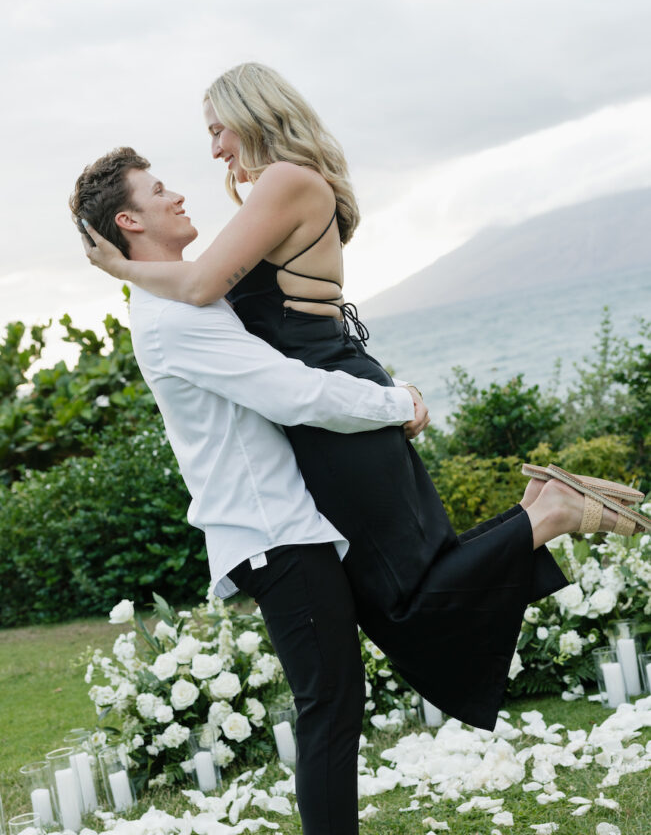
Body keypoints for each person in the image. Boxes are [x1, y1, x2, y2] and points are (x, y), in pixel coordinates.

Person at [80, 65, 647, 739]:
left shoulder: (283, 181)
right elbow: (203, 288)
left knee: (398, 602)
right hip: (335, 396)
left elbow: (201, 283)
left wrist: (117, 266)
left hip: (331, 404)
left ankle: (546, 513)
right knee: (406, 585)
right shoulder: (276, 190)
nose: (213, 152)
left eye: (217, 131)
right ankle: (536, 511)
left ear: (251, 114)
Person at [71, 147, 430, 835]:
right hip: (272, 533)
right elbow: (291, 393)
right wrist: (396, 401)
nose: (178, 194)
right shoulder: (175, 316)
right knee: (328, 704)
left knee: (334, 701)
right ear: (129, 220)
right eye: (158, 190)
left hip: (283, 525)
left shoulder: (183, 294)